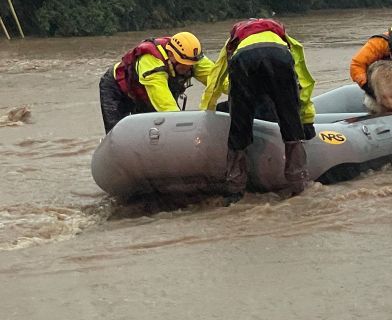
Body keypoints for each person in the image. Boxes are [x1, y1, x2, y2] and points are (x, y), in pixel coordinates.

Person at [200, 18, 317, 201]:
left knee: (240, 128)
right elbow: (304, 82)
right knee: (291, 123)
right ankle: (298, 185)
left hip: (244, 59)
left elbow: (215, 80)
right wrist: (307, 120)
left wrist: (205, 114)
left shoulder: (234, 41)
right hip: (279, 57)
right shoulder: (285, 40)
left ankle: (234, 190)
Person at [98, 31, 214, 133]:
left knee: (156, 131)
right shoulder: (151, 61)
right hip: (117, 90)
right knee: (118, 134)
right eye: (183, 64)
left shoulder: (193, 58)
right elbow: (166, 106)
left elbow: (218, 80)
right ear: (171, 54)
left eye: (190, 65)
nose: (187, 68)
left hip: (144, 97)